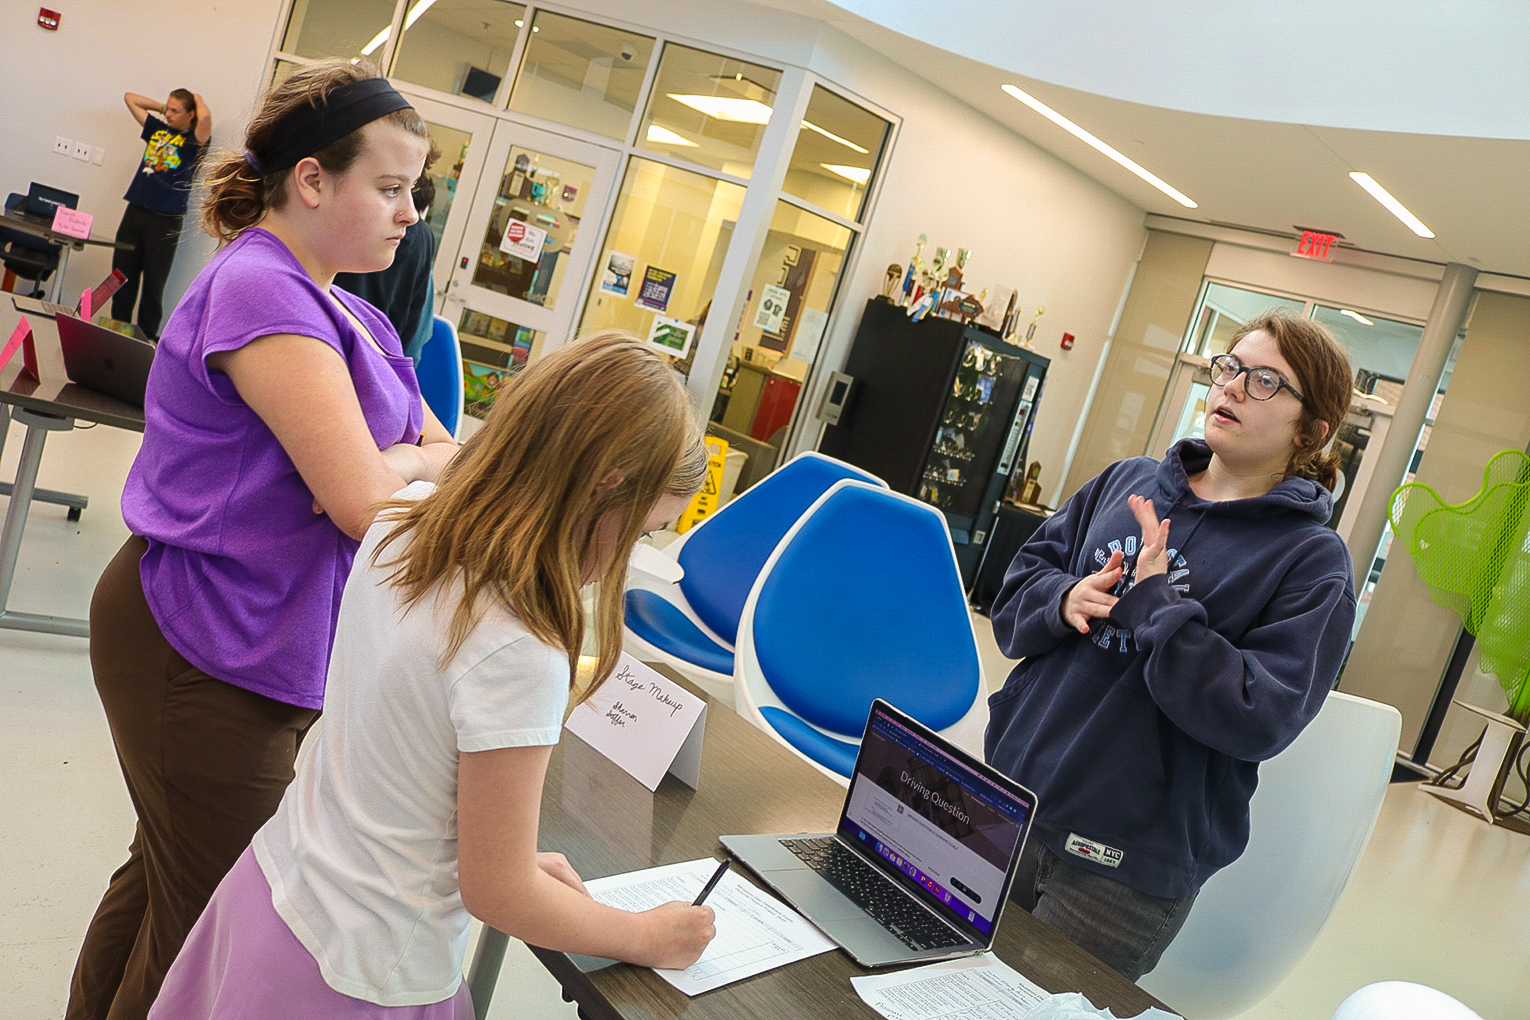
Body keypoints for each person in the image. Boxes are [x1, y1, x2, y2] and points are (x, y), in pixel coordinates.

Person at [149, 333, 716, 1017]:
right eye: (647, 530)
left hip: (278, 892)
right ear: (606, 488)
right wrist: (646, 936)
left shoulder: (405, 517)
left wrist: (477, 851)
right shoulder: (519, 646)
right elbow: (499, 895)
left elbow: (401, 754)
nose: (635, 551)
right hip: (364, 969)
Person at [68, 61, 459, 1020]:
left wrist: (399, 458)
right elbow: (368, 500)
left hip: (266, 646)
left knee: (163, 881)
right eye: (391, 187)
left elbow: (442, 447)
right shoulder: (261, 290)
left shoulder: (355, 313)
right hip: (198, 645)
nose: (411, 215)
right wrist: (396, 459)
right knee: (204, 927)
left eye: (415, 192)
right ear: (312, 179)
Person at [984, 309, 1358, 980]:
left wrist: (1158, 601)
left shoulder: (1311, 560)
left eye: (1268, 380)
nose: (1236, 387)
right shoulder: (1125, 482)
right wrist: (1064, 598)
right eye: (1230, 368)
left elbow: (1259, 714)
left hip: (1122, 872)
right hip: (1007, 805)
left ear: (1311, 430)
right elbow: (1013, 599)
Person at [113, 89, 211, 339]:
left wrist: (197, 99)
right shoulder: (158, 129)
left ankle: (145, 341)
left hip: (165, 222)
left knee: (153, 287)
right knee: (121, 279)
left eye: (174, 111)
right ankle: (116, 334)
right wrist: (163, 108)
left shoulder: (195, 142)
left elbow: (206, 119)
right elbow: (130, 98)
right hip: (135, 212)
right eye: (167, 109)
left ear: (190, 115)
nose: (168, 114)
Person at [334, 170, 439, 364]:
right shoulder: (423, 238)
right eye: (391, 190)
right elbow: (415, 336)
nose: (411, 217)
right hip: (379, 361)